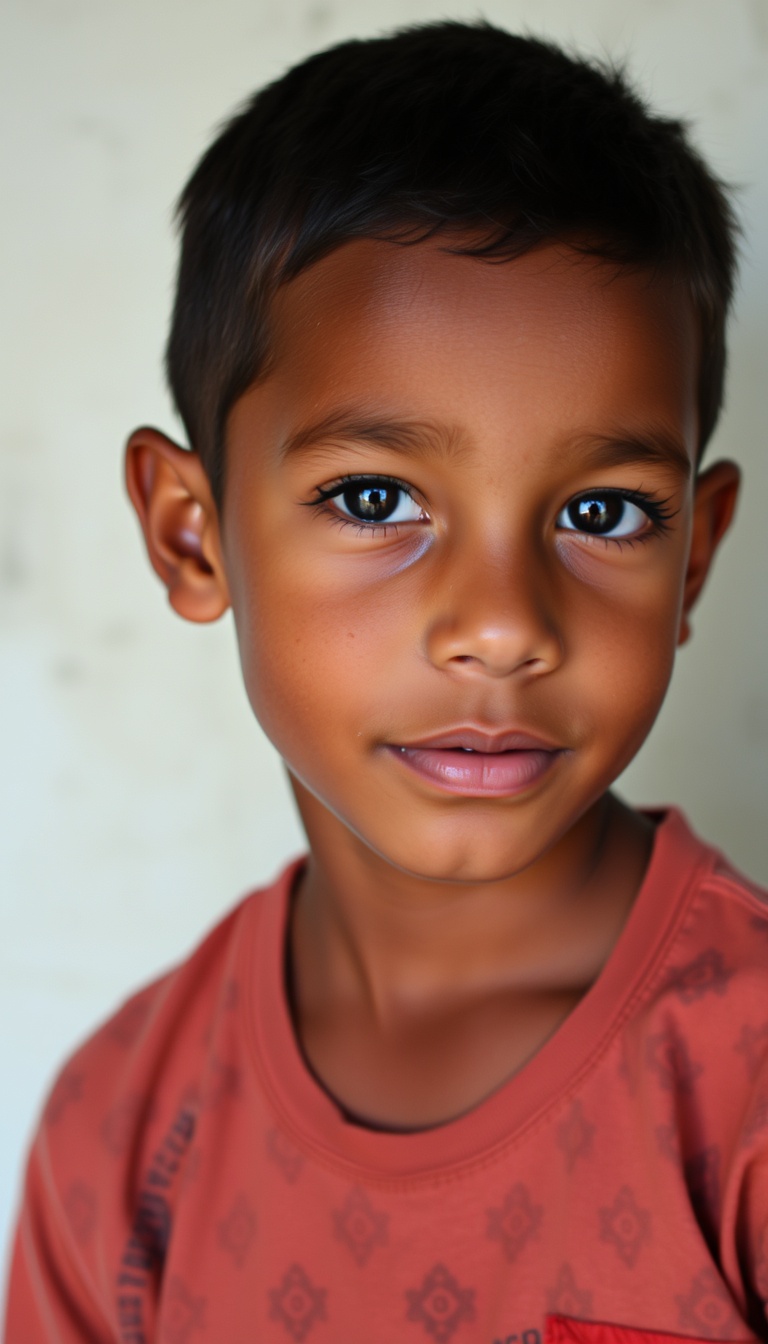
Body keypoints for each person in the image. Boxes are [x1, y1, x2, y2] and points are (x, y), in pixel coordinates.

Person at [5, 18, 766, 1343]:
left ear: (693, 558)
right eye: (374, 499)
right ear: (192, 534)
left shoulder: (743, 1093)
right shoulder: (120, 1136)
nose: (501, 627)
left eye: (601, 514)